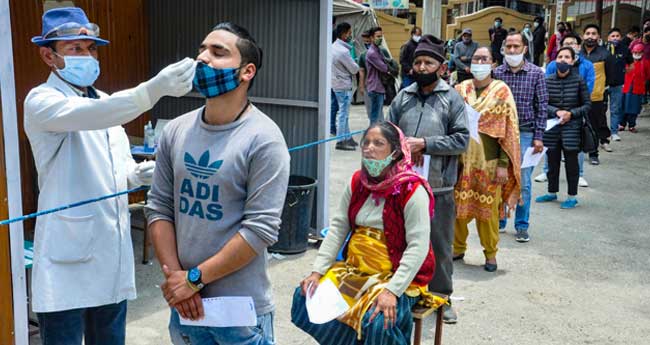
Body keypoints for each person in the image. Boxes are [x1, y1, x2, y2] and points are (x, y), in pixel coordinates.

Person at [23, 7, 195, 345]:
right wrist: (152, 89)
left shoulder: (104, 101)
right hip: (66, 260)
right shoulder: (42, 100)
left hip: (110, 255)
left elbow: (114, 167)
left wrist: (137, 175)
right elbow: (96, 115)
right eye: (75, 49)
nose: (87, 56)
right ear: (48, 55)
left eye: (91, 49)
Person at [146, 22, 290, 345]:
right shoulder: (175, 131)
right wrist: (175, 281)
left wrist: (194, 279)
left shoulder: (264, 139)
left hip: (239, 312)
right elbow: (159, 209)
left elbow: (260, 230)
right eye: (202, 49)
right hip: (185, 306)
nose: (203, 58)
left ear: (246, 71)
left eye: (218, 52)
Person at [291, 122, 444, 345]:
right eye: (366, 143)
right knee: (303, 297)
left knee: (379, 321)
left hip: (395, 276)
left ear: (395, 151)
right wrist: (317, 271)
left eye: (378, 143)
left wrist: (392, 291)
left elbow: (418, 247)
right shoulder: (357, 182)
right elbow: (337, 228)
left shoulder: (412, 190)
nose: (369, 148)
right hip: (354, 269)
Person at [389, 37, 469, 323]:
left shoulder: (452, 98)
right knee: (403, 242)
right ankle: (408, 293)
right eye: (418, 62)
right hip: (404, 186)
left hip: (439, 186)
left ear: (442, 67)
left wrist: (425, 143)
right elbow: (389, 134)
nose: (422, 67)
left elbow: (462, 140)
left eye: (428, 63)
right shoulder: (403, 97)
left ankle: (443, 297)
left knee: (439, 244)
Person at [453, 47, 521, 272]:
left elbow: (508, 130)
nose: (479, 62)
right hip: (462, 162)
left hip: (490, 162)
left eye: (484, 59)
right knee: (458, 209)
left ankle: (490, 254)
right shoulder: (460, 89)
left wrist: (503, 165)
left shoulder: (502, 91)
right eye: (476, 59)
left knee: (488, 213)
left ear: (493, 64)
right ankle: (457, 247)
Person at [494, 31, 548, 243]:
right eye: (509, 47)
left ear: (525, 49)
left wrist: (539, 136)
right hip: (501, 133)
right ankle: (499, 221)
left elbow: (542, 107)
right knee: (499, 178)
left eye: (516, 46)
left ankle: (522, 225)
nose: (512, 50)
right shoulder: (497, 73)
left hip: (526, 132)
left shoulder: (536, 73)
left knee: (523, 180)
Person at [536, 47, 591, 209]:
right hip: (552, 127)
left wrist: (571, 114)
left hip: (572, 129)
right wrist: (556, 111)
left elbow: (587, 105)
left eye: (567, 57)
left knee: (571, 164)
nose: (563, 60)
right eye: (560, 56)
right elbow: (541, 104)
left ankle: (572, 196)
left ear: (573, 61)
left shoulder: (579, 80)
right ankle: (552, 192)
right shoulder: (547, 80)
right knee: (552, 163)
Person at [581, 24, 612, 164]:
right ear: (583, 36)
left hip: (596, 96)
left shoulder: (605, 54)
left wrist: (601, 89)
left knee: (593, 125)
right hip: (575, 96)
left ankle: (593, 153)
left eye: (594, 34)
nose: (590, 36)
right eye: (587, 33)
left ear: (598, 37)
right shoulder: (576, 54)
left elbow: (611, 76)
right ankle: (573, 151)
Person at [332, 22, 360, 151]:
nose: (350, 36)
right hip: (344, 85)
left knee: (344, 113)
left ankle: (347, 138)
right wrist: (356, 62)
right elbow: (354, 69)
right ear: (343, 35)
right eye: (349, 33)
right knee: (343, 113)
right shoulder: (343, 51)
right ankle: (340, 141)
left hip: (336, 84)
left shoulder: (333, 47)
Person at [605, 28, 634, 142]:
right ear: (608, 38)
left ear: (621, 38)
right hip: (604, 85)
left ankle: (614, 132)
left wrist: (623, 72)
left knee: (615, 109)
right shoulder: (604, 49)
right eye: (613, 36)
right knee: (601, 110)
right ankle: (601, 133)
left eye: (617, 36)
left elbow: (631, 65)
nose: (615, 38)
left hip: (617, 85)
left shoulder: (625, 49)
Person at [359, 30, 392, 125]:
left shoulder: (380, 51)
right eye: (378, 36)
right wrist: (361, 86)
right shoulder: (370, 53)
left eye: (381, 36)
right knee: (374, 115)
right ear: (372, 38)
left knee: (377, 113)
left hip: (378, 86)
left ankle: (378, 132)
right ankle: (373, 134)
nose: (380, 38)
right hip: (374, 87)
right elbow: (385, 68)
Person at [620, 42, 650, 133]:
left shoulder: (646, 63)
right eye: (635, 53)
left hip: (638, 88)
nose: (637, 54)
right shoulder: (627, 61)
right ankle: (622, 124)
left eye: (639, 53)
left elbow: (648, 75)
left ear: (642, 53)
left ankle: (632, 125)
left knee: (635, 108)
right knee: (623, 106)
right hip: (626, 87)